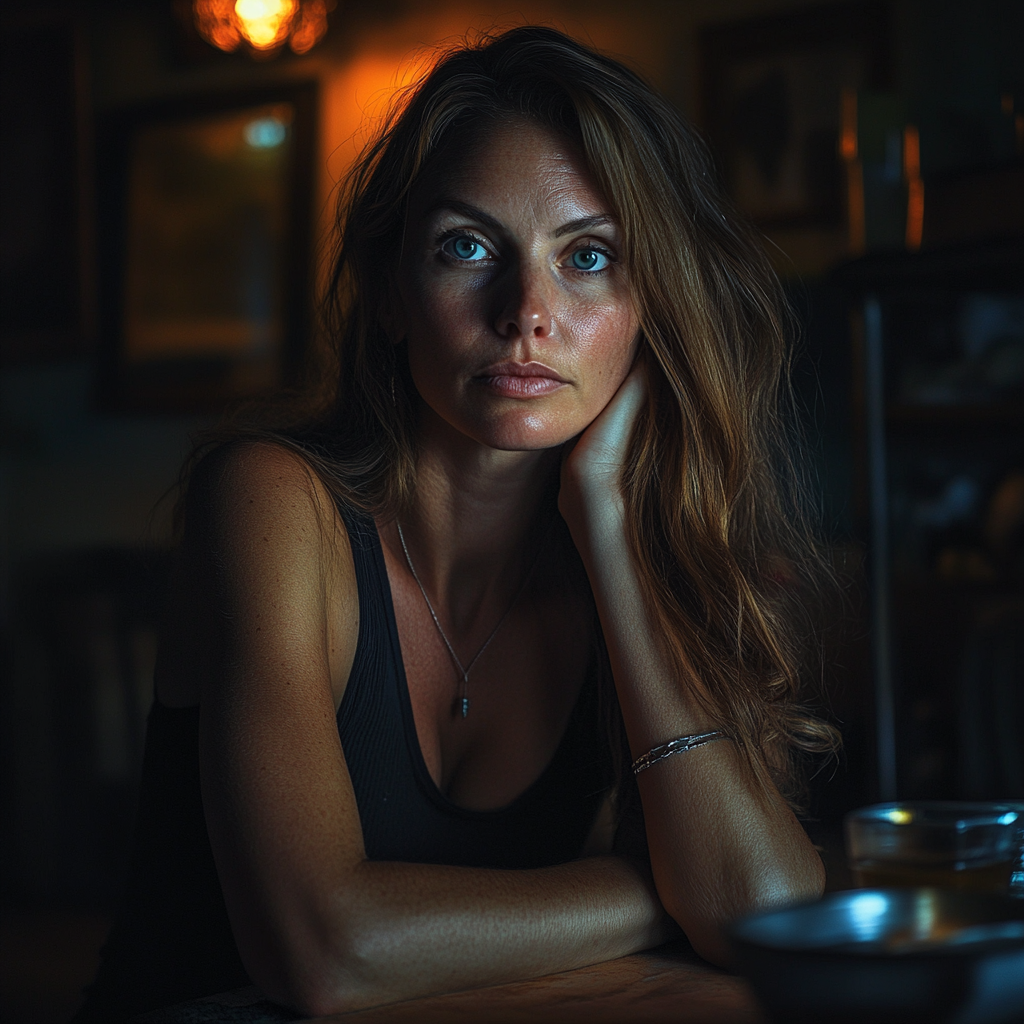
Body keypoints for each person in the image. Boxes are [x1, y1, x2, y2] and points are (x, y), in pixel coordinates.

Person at [77, 26, 838, 1022]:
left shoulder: (648, 555)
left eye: (590, 255)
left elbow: (759, 912)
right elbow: (325, 951)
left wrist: (609, 522)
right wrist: (658, 892)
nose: (526, 311)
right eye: (468, 247)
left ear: (651, 306)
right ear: (392, 292)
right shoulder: (271, 502)